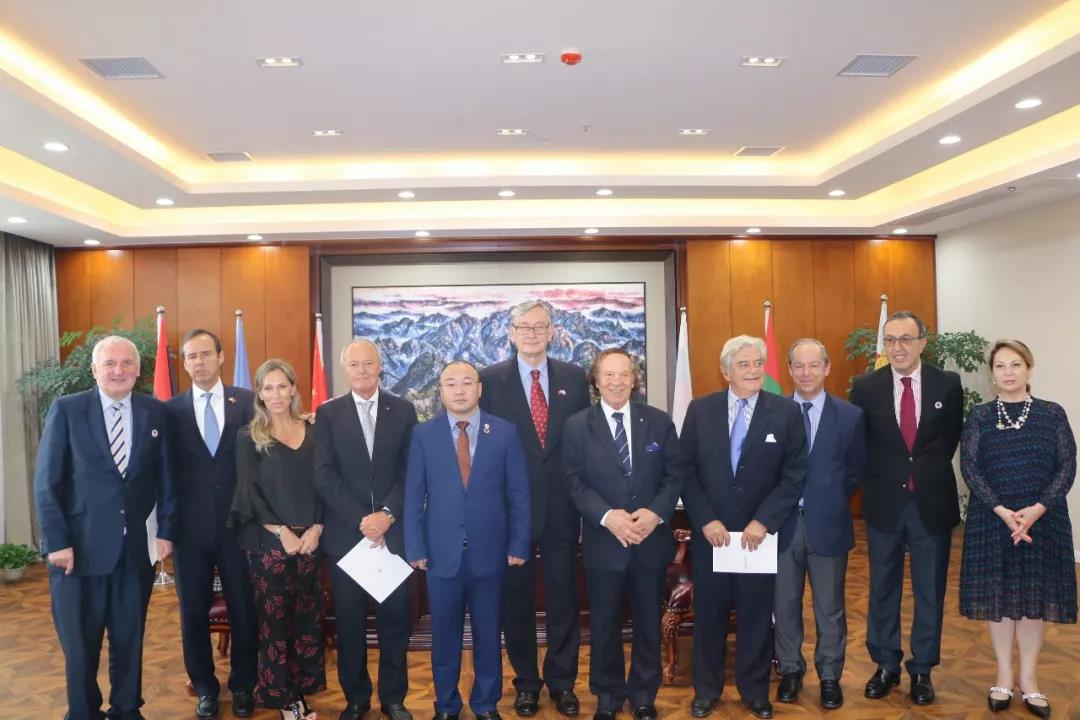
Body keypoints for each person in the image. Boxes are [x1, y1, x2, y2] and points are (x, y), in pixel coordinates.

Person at [34, 334, 176, 720]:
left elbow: (167, 478)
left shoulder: (154, 412)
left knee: (129, 638)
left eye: (126, 363)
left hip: (134, 552)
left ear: (138, 370)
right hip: (78, 552)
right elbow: (47, 482)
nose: (118, 370)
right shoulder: (67, 410)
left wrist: (165, 530)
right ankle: (83, 711)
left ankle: (127, 709)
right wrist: (57, 542)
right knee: (81, 645)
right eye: (110, 363)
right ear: (95, 370)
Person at [680, 335, 807, 720]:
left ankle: (755, 692)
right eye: (744, 364)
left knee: (756, 616)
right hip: (712, 537)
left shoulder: (785, 412)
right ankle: (706, 691)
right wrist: (705, 519)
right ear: (726, 371)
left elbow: (794, 476)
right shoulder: (700, 410)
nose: (754, 371)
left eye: (758, 363)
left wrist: (763, 521)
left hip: (758, 538)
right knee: (710, 617)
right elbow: (685, 471)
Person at [478, 299, 591, 717]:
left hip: (563, 508)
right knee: (517, 602)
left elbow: (584, 442)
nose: (531, 333)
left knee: (564, 599)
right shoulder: (489, 381)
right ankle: (526, 683)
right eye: (523, 326)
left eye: (539, 326)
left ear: (551, 332)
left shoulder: (574, 378)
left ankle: (563, 683)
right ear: (511, 333)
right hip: (510, 512)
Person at [404, 360, 531, 720]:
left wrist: (519, 543)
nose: (459, 390)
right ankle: (446, 705)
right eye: (451, 383)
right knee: (444, 636)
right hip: (440, 554)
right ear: (440, 391)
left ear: (479, 389)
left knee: (488, 634)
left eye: (466, 382)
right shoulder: (423, 435)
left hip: (491, 553)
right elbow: (413, 495)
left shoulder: (504, 432)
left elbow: (519, 494)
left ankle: (486, 703)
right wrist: (415, 547)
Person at [849, 311, 963, 706]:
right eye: (891, 339)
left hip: (931, 502)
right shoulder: (866, 387)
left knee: (930, 591)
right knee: (883, 587)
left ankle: (922, 670)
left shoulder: (948, 384)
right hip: (885, 503)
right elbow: (860, 444)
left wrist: (922, 473)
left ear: (922, 343)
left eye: (906, 339)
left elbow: (949, 438)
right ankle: (885, 665)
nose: (898, 347)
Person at [959, 339, 1076, 719]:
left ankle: (1029, 678)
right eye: (1000, 366)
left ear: (1029, 368)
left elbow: (1067, 465)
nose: (1008, 372)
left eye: (1015, 365)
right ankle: (1004, 676)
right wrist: (1003, 512)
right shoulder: (979, 416)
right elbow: (970, 468)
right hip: (993, 520)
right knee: (1000, 599)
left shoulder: (1051, 413)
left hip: (1043, 520)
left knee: (1032, 601)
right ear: (992, 373)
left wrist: (1037, 510)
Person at [564, 349, 683, 720]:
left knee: (648, 622)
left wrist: (655, 513)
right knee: (604, 624)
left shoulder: (658, 422)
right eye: (608, 375)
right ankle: (608, 695)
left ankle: (644, 694)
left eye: (624, 374)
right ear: (596, 381)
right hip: (604, 542)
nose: (616, 382)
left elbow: (675, 475)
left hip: (650, 541)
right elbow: (574, 482)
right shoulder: (577, 426)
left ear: (634, 380)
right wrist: (607, 516)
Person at [315, 339, 418, 720]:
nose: (362, 370)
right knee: (350, 624)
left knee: (395, 623)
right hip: (348, 538)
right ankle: (356, 698)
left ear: (380, 367)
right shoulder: (328, 414)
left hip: (393, 536)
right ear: (345, 370)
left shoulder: (403, 410)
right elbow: (324, 475)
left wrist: (387, 515)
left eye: (368, 363)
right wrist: (363, 519)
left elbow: (412, 470)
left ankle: (394, 698)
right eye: (354, 364)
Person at [166, 328, 258, 719]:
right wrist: (164, 529)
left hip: (240, 526)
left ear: (221, 357)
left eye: (206, 354)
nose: (199, 362)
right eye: (191, 356)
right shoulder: (170, 411)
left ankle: (243, 686)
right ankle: (204, 686)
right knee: (193, 612)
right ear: (185, 364)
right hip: (189, 531)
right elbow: (165, 472)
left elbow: (262, 461)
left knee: (244, 609)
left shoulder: (248, 402)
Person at [773, 339, 865, 710]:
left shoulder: (850, 416)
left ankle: (829, 675)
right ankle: (790, 671)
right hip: (781, 528)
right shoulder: (774, 413)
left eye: (814, 365)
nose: (806, 373)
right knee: (784, 603)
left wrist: (826, 499)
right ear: (789, 370)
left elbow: (855, 470)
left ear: (827, 368)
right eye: (798, 365)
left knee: (830, 608)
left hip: (828, 524)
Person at [230, 359, 325, 720]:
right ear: (259, 393)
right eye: (268, 388)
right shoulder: (248, 436)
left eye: (282, 386)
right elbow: (248, 493)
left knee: (307, 623)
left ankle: (300, 695)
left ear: (293, 388)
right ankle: (284, 701)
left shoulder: (314, 431)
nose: (276, 394)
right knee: (275, 628)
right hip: (269, 545)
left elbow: (326, 484)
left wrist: (317, 528)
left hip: (311, 543)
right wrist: (281, 531)